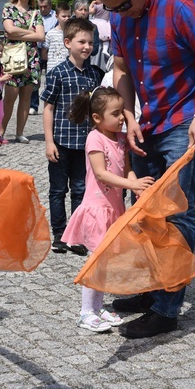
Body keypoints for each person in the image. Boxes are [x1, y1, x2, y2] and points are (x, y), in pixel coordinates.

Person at [95, 0, 195, 339]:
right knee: (145, 209)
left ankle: (167, 309)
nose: (121, 15)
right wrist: (127, 113)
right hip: (148, 120)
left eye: (124, 6)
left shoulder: (181, 5)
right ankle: (152, 291)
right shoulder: (121, 11)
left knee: (175, 210)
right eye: (114, 11)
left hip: (185, 116)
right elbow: (121, 67)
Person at [64, 86, 155, 332]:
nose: (121, 118)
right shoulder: (95, 138)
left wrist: (137, 187)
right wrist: (132, 183)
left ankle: (98, 307)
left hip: (114, 209)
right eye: (115, 114)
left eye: (122, 113)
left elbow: (127, 169)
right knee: (95, 260)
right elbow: (101, 173)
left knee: (105, 261)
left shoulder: (121, 139)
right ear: (97, 118)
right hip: (97, 209)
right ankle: (85, 312)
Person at [40, 18, 104, 255]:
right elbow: (49, 108)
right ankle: (59, 233)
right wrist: (48, 141)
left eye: (90, 42)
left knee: (80, 190)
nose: (87, 46)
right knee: (58, 190)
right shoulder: (58, 73)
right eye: (82, 41)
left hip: (85, 144)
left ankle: (76, 234)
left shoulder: (95, 75)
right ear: (68, 43)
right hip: (61, 142)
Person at [1, 0, 45, 143]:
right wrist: (28, 33)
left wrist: (16, 33)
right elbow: (8, 30)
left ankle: (20, 133)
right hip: (13, 57)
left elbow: (41, 36)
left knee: (26, 98)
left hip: (31, 59)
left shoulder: (36, 12)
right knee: (10, 97)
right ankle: (1, 132)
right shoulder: (9, 8)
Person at [31, 0, 58, 115]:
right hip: (36, 49)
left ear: (50, 5)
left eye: (45, 6)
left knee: (52, 78)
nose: (42, 9)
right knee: (34, 78)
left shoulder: (55, 17)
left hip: (51, 51)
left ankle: (51, 104)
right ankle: (33, 105)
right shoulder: (34, 15)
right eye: (40, 7)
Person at [45, 1, 72, 75]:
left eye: (69, 16)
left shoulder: (72, 34)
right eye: (64, 16)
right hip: (52, 70)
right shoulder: (50, 34)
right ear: (56, 16)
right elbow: (44, 53)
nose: (66, 18)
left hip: (67, 70)